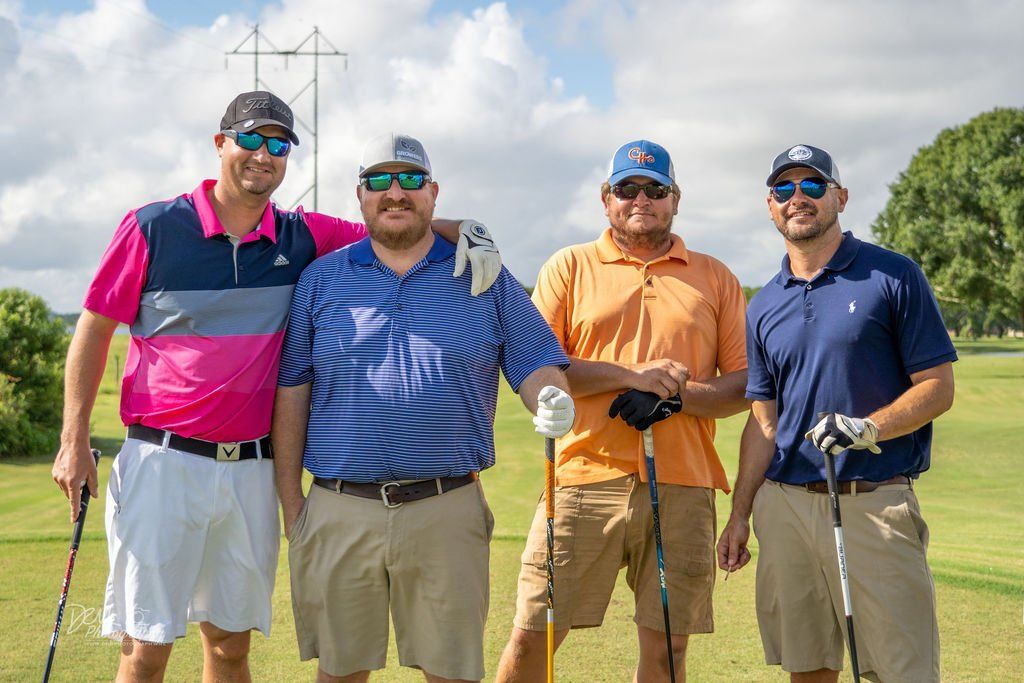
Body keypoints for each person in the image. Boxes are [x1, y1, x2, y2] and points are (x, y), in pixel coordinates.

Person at [50, 92, 502, 682]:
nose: (264, 155)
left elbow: (391, 222)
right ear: (221, 144)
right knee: (144, 648)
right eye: (251, 140)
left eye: (279, 145)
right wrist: (73, 438)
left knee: (231, 647)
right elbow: (94, 328)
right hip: (162, 462)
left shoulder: (301, 237)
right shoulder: (153, 227)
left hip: (250, 473)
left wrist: (465, 229)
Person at [272, 132, 574, 683]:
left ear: (433, 193)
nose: (395, 193)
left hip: (447, 506)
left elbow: (535, 363)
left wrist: (552, 397)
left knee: (452, 673)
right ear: (360, 195)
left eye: (410, 180)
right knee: (339, 674)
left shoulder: (484, 276)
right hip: (340, 508)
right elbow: (293, 390)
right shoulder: (321, 280)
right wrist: (294, 507)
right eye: (379, 181)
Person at [496, 140, 749, 682]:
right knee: (533, 638)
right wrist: (630, 377)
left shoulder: (715, 276)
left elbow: (743, 386)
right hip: (581, 477)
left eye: (655, 189)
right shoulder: (570, 266)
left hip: (683, 482)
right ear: (606, 198)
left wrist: (673, 397)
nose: (641, 199)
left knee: (668, 651)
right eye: (627, 189)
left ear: (675, 199)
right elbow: (536, 361)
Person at [716, 144, 956, 683]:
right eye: (784, 189)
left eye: (812, 186)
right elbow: (763, 421)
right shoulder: (764, 303)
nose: (797, 198)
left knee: (902, 671)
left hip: (874, 502)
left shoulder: (892, 275)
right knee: (808, 667)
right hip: (785, 508)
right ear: (770, 205)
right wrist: (739, 513)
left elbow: (938, 388)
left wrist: (868, 427)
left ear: (840, 197)